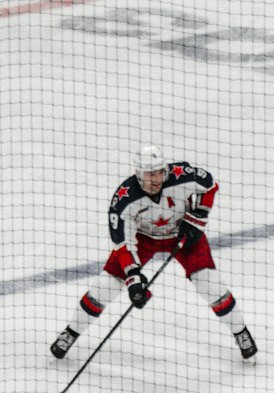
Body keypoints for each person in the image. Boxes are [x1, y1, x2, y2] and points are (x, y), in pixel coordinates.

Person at [50, 146, 257, 362]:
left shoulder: (181, 177)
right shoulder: (124, 200)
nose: (156, 178)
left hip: (183, 236)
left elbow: (209, 185)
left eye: (159, 172)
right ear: (138, 174)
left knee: (210, 284)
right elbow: (123, 245)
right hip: (144, 240)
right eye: (150, 174)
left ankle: (241, 332)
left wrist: (197, 217)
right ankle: (71, 332)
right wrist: (134, 280)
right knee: (105, 288)